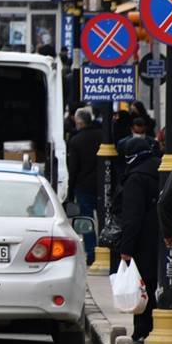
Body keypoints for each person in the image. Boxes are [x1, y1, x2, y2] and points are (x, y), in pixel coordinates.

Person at [114, 138, 161, 344]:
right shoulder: (161, 168)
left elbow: (132, 218)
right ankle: (156, 326)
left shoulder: (135, 178)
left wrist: (126, 248)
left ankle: (142, 331)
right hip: (164, 238)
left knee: (142, 287)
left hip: (143, 242)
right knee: (158, 286)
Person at [66, 107, 102, 265]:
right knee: (105, 219)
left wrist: (70, 191)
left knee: (86, 221)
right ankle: (105, 249)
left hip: (83, 186)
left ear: (79, 121)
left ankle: (92, 253)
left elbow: (73, 169)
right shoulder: (103, 135)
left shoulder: (76, 140)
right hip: (103, 185)